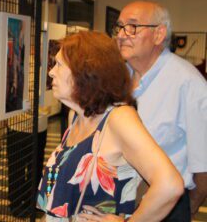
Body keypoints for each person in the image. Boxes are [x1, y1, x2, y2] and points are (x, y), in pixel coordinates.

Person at [36, 31, 184, 221]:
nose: (51, 72)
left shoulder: (118, 118)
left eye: (59, 65)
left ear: (84, 71)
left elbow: (169, 185)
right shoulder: (77, 116)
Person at [114, 1, 207, 221]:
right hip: (118, 202)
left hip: (165, 207)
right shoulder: (118, 77)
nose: (121, 34)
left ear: (159, 34)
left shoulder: (188, 83)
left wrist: (186, 208)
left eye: (133, 26)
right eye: (119, 26)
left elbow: (203, 165)